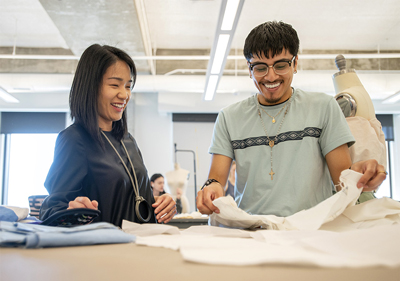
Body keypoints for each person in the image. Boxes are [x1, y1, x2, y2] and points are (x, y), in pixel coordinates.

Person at [197, 21, 387, 216]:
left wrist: (359, 175)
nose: (271, 77)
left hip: (311, 230)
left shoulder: (323, 107)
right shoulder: (229, 117)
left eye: (280, 65)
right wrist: (211, 190)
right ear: (249, 69)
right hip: (252, 232)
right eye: (260, 68)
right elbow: (216, 180)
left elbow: (343, 181)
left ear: (295, 63)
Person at [39, 44, 176, 227]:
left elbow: (135, 198)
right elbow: (52, 208)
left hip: (141, 246)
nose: (124, 94)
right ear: (91, 86)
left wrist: (162, 203)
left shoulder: (128, 141)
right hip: (104, 249)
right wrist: (70, 211)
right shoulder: (75, 139)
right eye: (114, 85)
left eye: (128, 86)